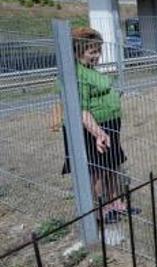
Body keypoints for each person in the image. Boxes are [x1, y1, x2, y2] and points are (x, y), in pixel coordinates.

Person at [51, 27, 134, 223]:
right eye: (92, 51)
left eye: (98, 50)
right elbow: (82, 111)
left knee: (112, 164)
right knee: (96, 170)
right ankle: (98, 211)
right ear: (78, 51)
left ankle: (115, 203)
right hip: (92, 129)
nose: (97, 55)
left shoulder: (89, 70)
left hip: (109, 125)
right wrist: (98, 133)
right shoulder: (75, 75)